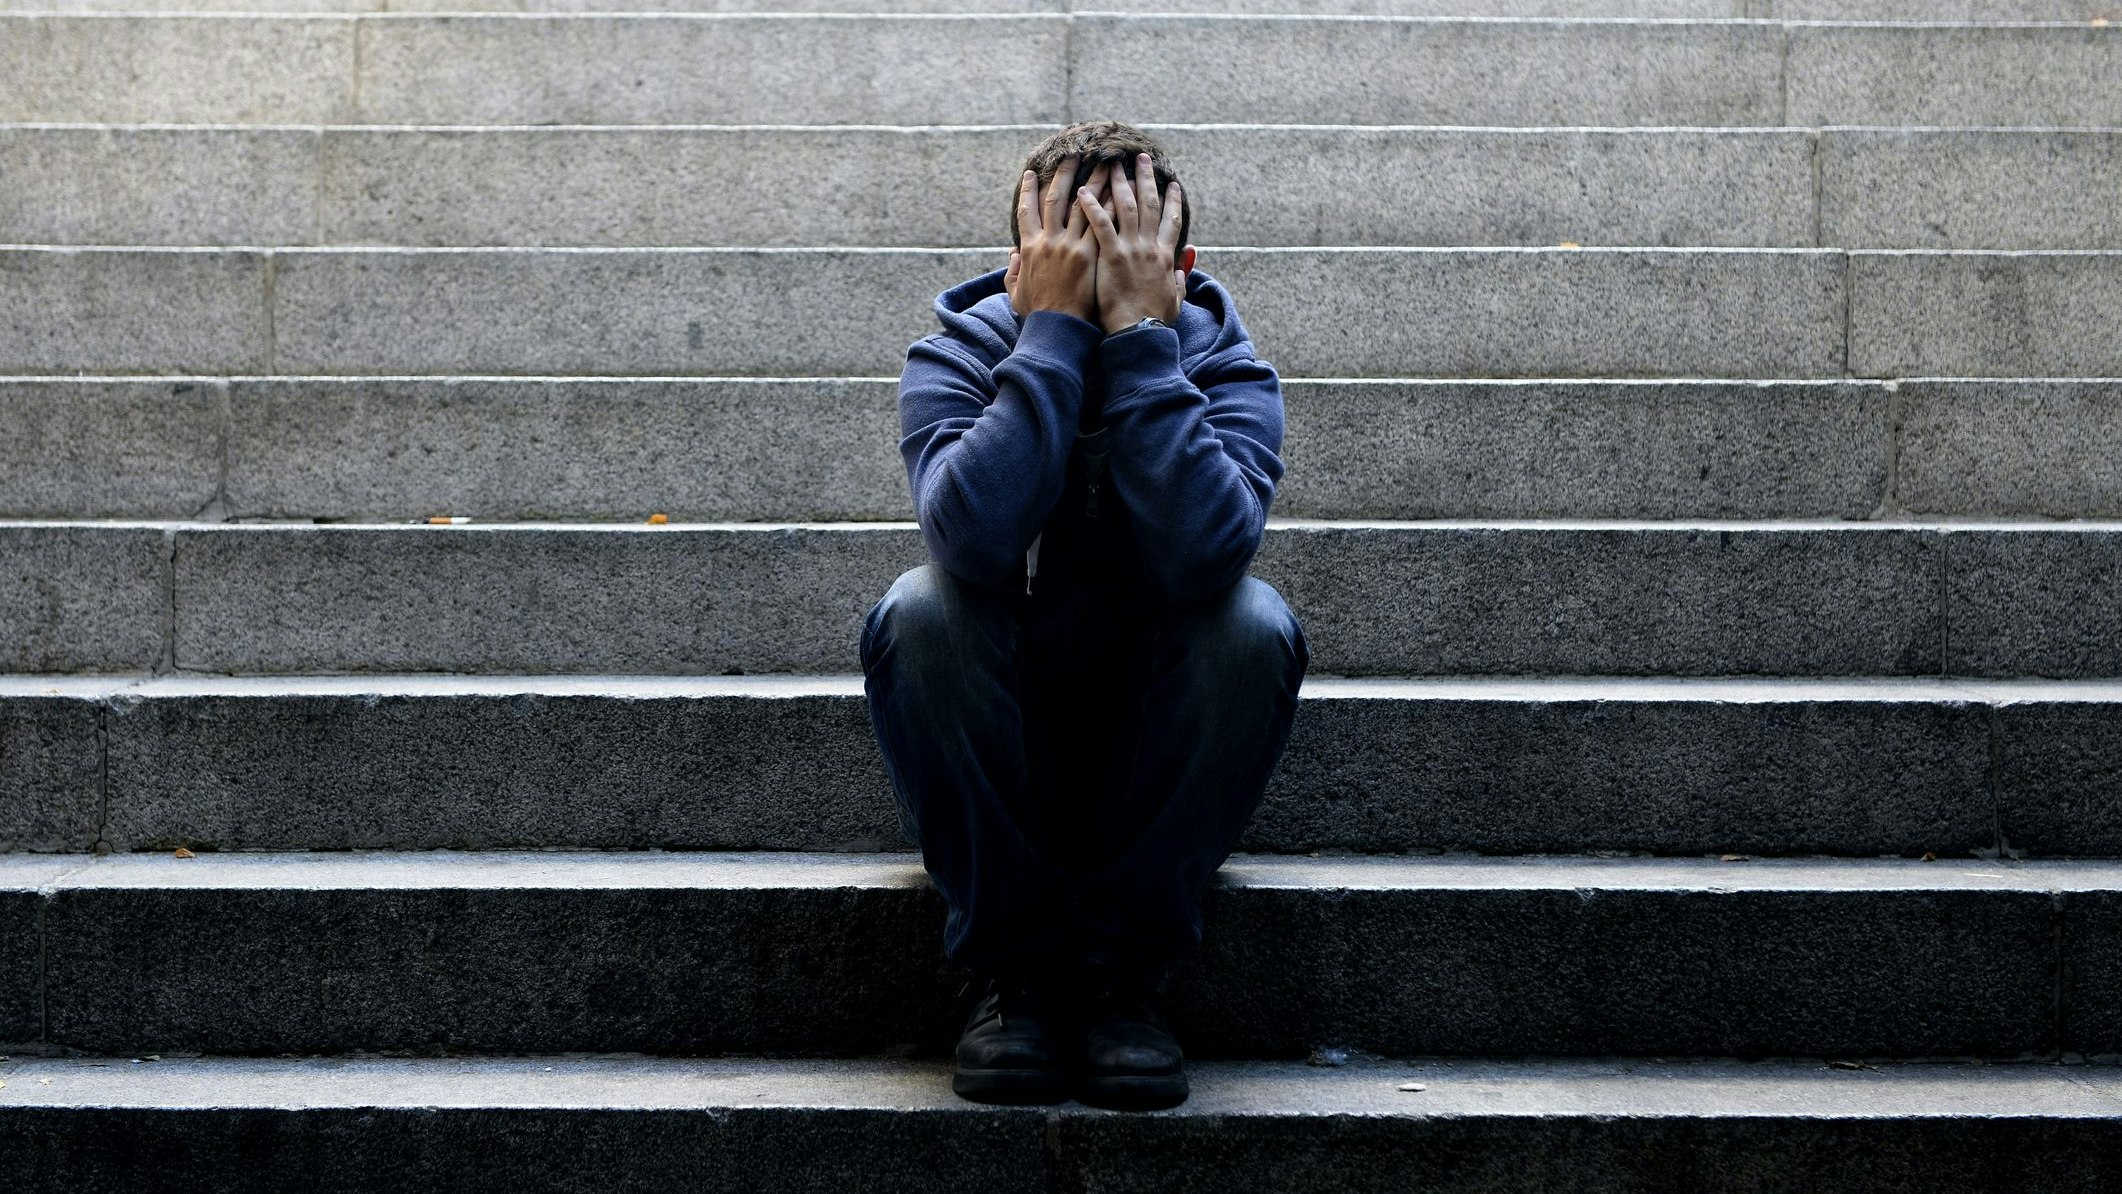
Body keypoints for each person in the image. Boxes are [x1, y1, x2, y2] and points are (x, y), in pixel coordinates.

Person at [858, 121, 1310, 1111]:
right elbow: (970, 542)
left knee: (1252, 622)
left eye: (1129, 258)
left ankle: (1123, 976)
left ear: (1177, 266)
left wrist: (1146, 345)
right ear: (1023, 263)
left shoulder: (1224, 363)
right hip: (1004, 740)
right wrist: (1051, 333)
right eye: (1071, 257)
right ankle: (1008, 975)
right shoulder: (960, 350)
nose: (1101, 279)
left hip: (1154, 743)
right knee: (921, 608)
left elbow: (1205, 557)